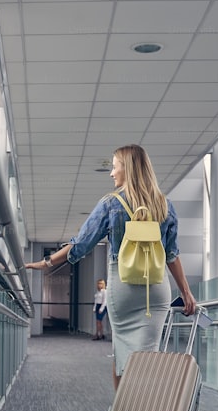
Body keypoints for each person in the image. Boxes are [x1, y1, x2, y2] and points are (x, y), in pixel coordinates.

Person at [26, 144, 197, 392]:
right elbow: (172, 255)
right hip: (157, 290)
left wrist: (47, 262)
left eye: (114, 166)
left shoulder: (111, 203)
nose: (111, 173)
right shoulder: (165, 205)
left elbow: (81, 245)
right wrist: (186, 292)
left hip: (124, 286)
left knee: (120, 351)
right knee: (148, 354)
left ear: (127, 168)